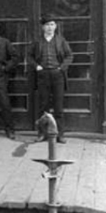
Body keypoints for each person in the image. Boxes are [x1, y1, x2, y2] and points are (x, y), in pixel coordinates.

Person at [29, 13, 73, 144]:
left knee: (58, 106)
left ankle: (60, 135)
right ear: (43, 27)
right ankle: (42, 133)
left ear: (56, 26)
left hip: (57, 75)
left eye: (52, 24)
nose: (50, 27)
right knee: (43, 106)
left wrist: (61, 68)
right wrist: (37, 66)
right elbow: (29, 56)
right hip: (43, 76)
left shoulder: (61, 40)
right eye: (47, 25)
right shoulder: (37, 41)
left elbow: (69, 56)